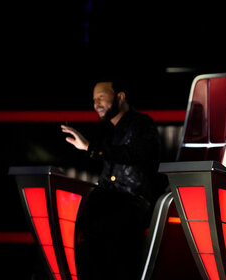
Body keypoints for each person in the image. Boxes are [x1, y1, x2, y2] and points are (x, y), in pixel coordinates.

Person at [61, 77, 166, 280]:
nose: (96, 104)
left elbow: (132, 154)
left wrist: (91, 148)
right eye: (94, 100)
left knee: (97, 239)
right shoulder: (110, 132)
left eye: (101, 97)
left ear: (120, 97)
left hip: (134, 203)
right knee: (65, 224)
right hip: (110, 201)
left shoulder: (142, 123)